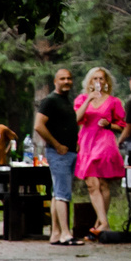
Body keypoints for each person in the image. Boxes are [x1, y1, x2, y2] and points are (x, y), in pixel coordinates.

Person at [74, 66, 129, 242]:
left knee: (102, 183)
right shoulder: (82, 99)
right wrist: (88, 100)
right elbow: (77, 119)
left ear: (106, 82)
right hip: (87, 141)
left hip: (105, 141)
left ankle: (101, 224)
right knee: (92, 184)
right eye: (95, 78)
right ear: (89, 81)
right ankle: (101, 224)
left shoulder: (113, 101)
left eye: (101, 79)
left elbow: (121, 126)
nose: (98, 82)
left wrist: (109, 125)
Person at [33, 68, 80, 245]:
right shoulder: (50, 101)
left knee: (57, 193)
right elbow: (39, 125)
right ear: (55, 81)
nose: (67, 81)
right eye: (62, 79)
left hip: (69, 152)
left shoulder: (66, 101)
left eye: (69, 78)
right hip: (59, 153)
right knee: (62, 194)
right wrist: (56, 144)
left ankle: (56, 233)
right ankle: (66, 234)